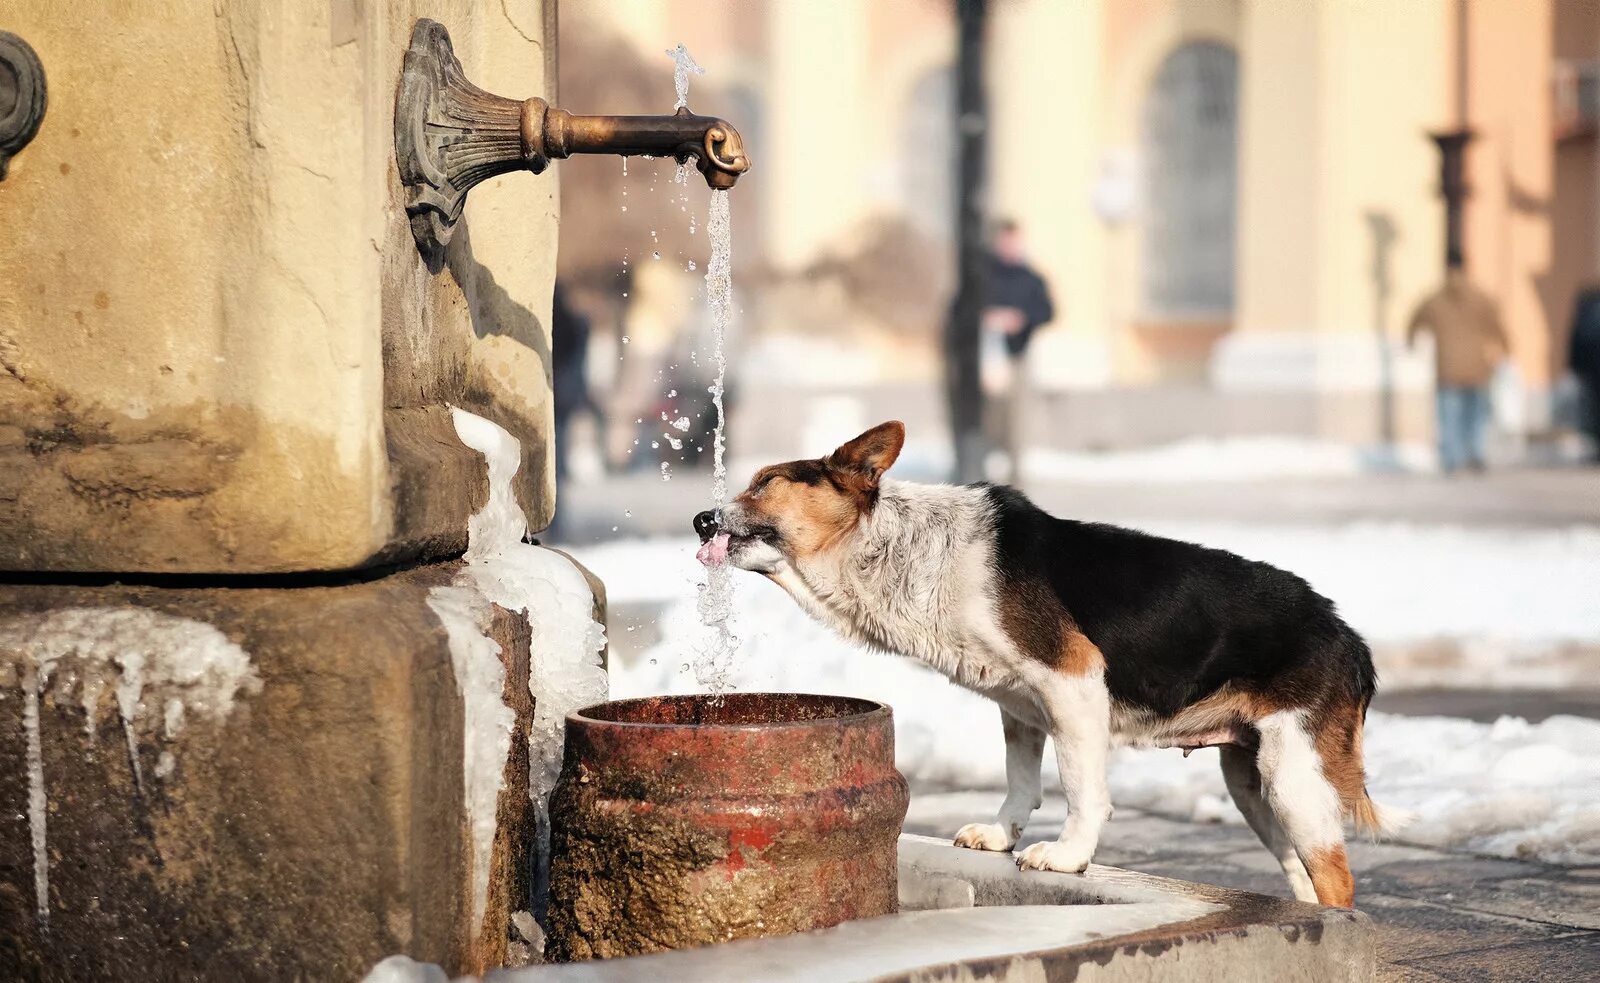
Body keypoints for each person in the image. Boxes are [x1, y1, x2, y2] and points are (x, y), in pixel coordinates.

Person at [1406, 266, 1507, 474]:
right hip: (1476, 367)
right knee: (1475, 415)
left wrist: (1411, 341)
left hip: (1447, 367)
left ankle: (1451, 458)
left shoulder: (1434, 299)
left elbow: (1415, 319)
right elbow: (1497, 324)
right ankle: (1475, 453)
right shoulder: (1480, 297)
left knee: (1449, 416)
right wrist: (1507, 349)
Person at [981, 220, 1054, 484]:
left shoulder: (1030, 278)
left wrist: (1022, 319)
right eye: (1005, 241)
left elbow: (1047, 312)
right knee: (988, 417)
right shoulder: (984, 276)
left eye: (1014, 241)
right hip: (987, 358)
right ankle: (983, 472)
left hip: (1017, 357)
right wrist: (988, 318)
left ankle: (1015, 477)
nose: (1010, 247)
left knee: (1018, 418)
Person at [1568, 283, 1600, 461]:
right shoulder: (1587, 306)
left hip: (1590, 370)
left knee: (1593, 410)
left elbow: (1577, 338)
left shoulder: (1587, 308)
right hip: (1591, 369)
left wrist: (1574, 365)